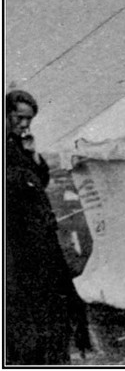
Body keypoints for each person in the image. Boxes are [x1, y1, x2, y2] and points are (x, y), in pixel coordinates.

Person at [5, 90, 92, 364]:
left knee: (52, 297)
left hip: (38, 235)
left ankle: (52, 357)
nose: (24, 125)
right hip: (14, 239)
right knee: (24, 303)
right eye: (19, 118)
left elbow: (40, 180)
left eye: (29, 120)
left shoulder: (19, 145)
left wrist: (33, 156)